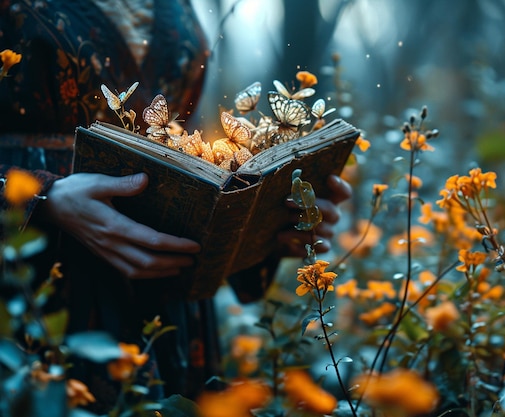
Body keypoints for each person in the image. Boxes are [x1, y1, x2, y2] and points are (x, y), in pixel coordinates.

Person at [0, 0, 352, 412]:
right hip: (35, 273)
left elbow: (181, 131)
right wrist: (43, 197)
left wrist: (263, 225)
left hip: (170, 298)